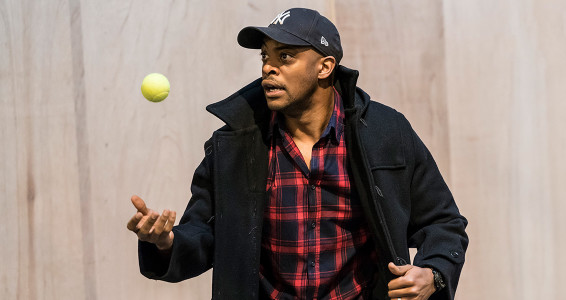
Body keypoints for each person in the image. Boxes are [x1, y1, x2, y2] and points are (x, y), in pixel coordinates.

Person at [126, 7, 468, 300]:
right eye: (265, 57)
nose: (268, 68)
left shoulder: (385, 133)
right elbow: (204, 234)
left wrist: (433, 273)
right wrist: (165, 242)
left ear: (325, 67)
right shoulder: (235, 145)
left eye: (284, 57)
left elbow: (443, 221)